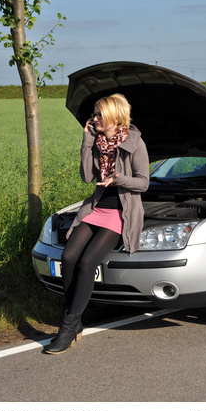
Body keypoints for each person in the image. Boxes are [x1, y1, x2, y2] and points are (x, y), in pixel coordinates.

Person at [45, 93, 149, 355]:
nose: (94, 118)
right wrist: (87, 140)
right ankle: (75, 319)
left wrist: (118, 179)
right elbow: (86, 177)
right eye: (94, 114)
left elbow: (143, 183)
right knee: (68, 257)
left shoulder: (135, 143)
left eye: (99, 114)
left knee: (89, 261)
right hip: (97, 207)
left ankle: (68, 327)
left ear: (114, 116)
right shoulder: (98, 142)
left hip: (121, 211)